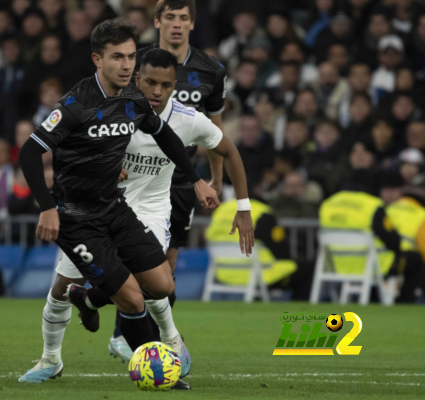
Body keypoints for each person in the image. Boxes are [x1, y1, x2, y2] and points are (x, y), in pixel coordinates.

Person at [18, 41, 251, 388]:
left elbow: (220, 148)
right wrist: (96, 172)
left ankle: (164, 344)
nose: (157, 91)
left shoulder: (187, 119)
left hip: (149, 211)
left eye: (166, 85)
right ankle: (51, 358)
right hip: (94, 208)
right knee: (63, 286)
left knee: (155, 284)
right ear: (137, 79)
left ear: (176, 86)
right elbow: (66, 148)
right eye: (150, 83)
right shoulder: (113, 106)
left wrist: (218, 190)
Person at [124, 0, 229, 349]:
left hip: (181, 178)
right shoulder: (133, 64)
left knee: (165, 265)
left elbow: (215, 130)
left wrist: (216, 178)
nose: (176, 24)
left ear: (192, 23)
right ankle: (138, 335)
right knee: (134, 260)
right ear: (157, 22)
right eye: (170, 17)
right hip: (135, 173)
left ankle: (138, 336)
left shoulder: (211, 70)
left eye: (183, 18)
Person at [319, 172, 402, 280]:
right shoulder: (372, 205)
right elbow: (392, 239)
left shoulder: (327, 204)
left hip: (336, 268)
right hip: (372, 267)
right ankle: (403, 297)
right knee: (413, 259)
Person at [386, 188, 425, 303]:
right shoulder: (424, 215)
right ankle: (407, 300)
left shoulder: (388, 209)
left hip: (381, 259)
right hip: (406, 261)